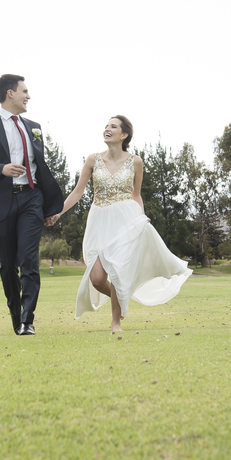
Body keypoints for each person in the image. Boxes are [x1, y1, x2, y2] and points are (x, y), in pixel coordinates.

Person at [50, 115, 192, 332]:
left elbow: (136, 194)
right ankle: (122, 297)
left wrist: (141, 220)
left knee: (118, 270)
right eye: (106, 126)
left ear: (124, 134)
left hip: (126, 220)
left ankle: (115, 322)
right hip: (99, 220)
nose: (107, 129)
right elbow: (77, 192)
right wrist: (58, 212)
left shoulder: (135, 162)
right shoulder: (92, 160)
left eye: (113, 127)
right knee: (97, 278)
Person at [0, 75, 63, 335]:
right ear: (10, 93)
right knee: (8, 264)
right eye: (25, 91)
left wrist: (50, 207)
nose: (28, 96)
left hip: (32, 198)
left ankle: (28, 320)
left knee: (29, 260)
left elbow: (40, 167)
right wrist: (2, 168)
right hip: (0, 201)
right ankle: (15, 315)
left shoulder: (35, 126)